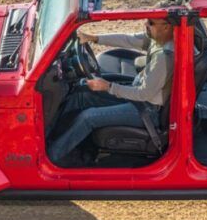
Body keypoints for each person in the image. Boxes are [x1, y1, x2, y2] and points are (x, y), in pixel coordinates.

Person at [47, 12, 175, 163]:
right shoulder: (157, 38)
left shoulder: (164, 57)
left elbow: (143, 94)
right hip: (138, 95)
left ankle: (50, 157)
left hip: (148, 109)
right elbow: (129, 39)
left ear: (166, 27)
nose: (146, 24)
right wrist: (94, 38)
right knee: (81, 94)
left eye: (150, 22)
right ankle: (55, 136)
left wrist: (108, 86)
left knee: (88, 117)